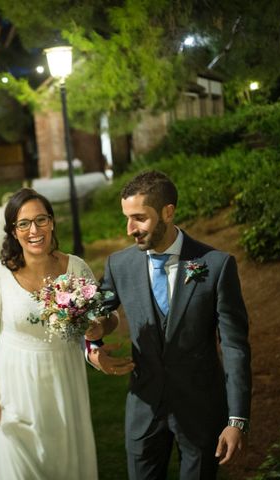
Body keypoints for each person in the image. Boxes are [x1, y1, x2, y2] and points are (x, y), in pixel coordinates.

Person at [87, 170, 252, 479]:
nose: (129, 229)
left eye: (139, 218)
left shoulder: (215, 266)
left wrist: (237, 419)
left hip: (201, 410)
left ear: (168, 212)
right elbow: (92, 316)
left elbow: (235, 346)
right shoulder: (119, 265)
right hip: (144, 410)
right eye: (126, 218)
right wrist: (92, 348)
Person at [0, 188, 99, 479]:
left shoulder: (76, 267)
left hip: (63, 382)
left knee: (63, 464)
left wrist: (96, 332)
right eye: (24, 223)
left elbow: (104, 319)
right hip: (12, 388)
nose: (34, 230)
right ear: (13, 232)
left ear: (52, 222)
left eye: (41, 220)